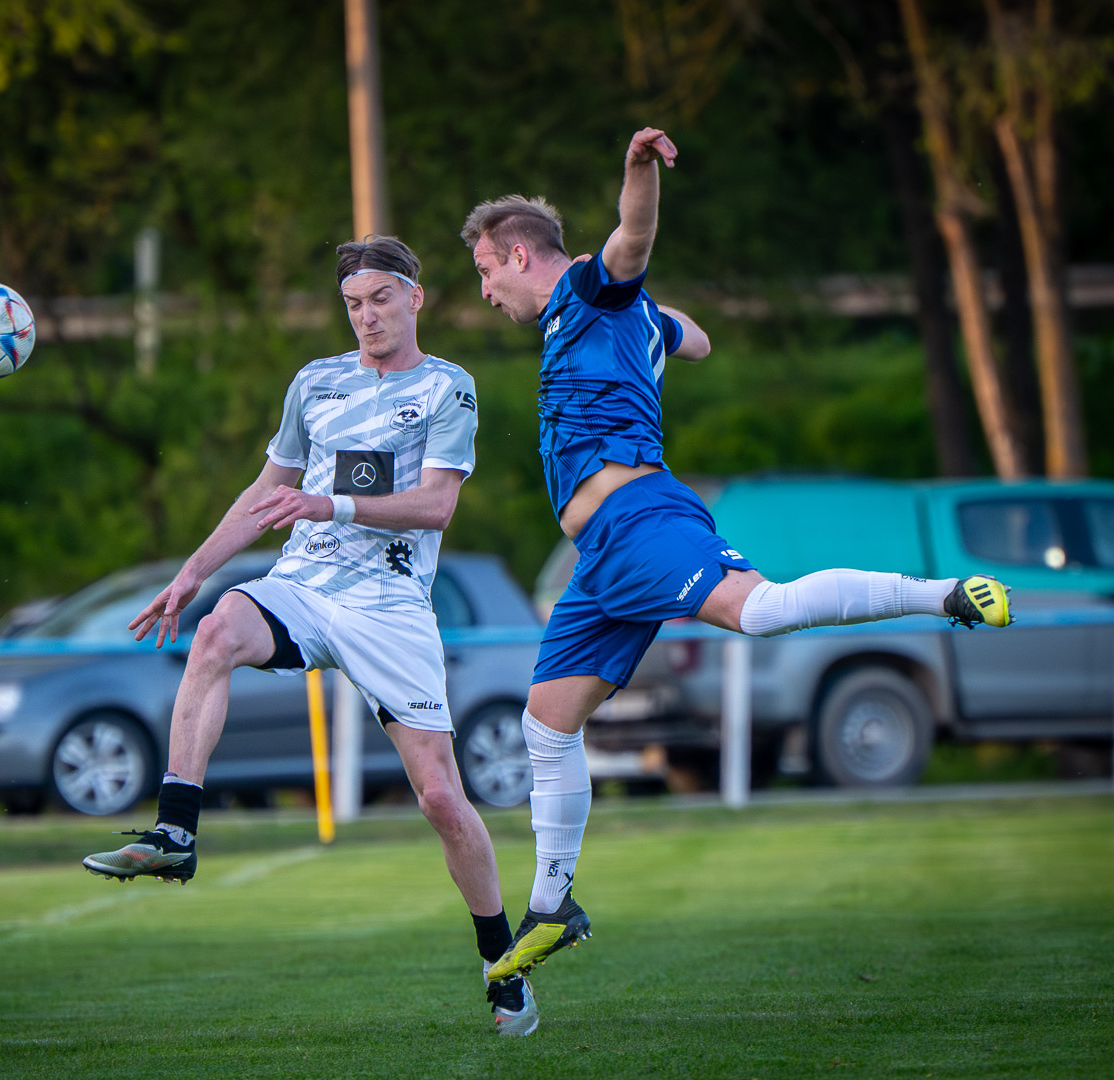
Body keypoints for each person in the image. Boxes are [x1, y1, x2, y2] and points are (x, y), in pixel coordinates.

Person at [461, 128, 1013, 985]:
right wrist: (657, 325)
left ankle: (941, 595)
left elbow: (633, 238)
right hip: (601, 560)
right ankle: (551, 907)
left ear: (520, 254)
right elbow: (699, 339)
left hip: (642, 520)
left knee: (760, 610)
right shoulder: (614, 313)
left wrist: (637, 171)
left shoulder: (586, 288)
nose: (484, 291)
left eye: (484, 271)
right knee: (544, 724)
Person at [82, 235, 540, 1036]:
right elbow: (267, 489)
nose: (367, 316)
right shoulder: (315, 381)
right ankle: (175, 830)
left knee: (440, 798)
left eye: (380, 299)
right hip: (302, 585)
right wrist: (192, 573)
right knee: (216, 631)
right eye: (353, 304)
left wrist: (329, 504)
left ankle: (500, 960)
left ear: (414, 299)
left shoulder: (447, 387)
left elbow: (436, 507)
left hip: (390, 607)